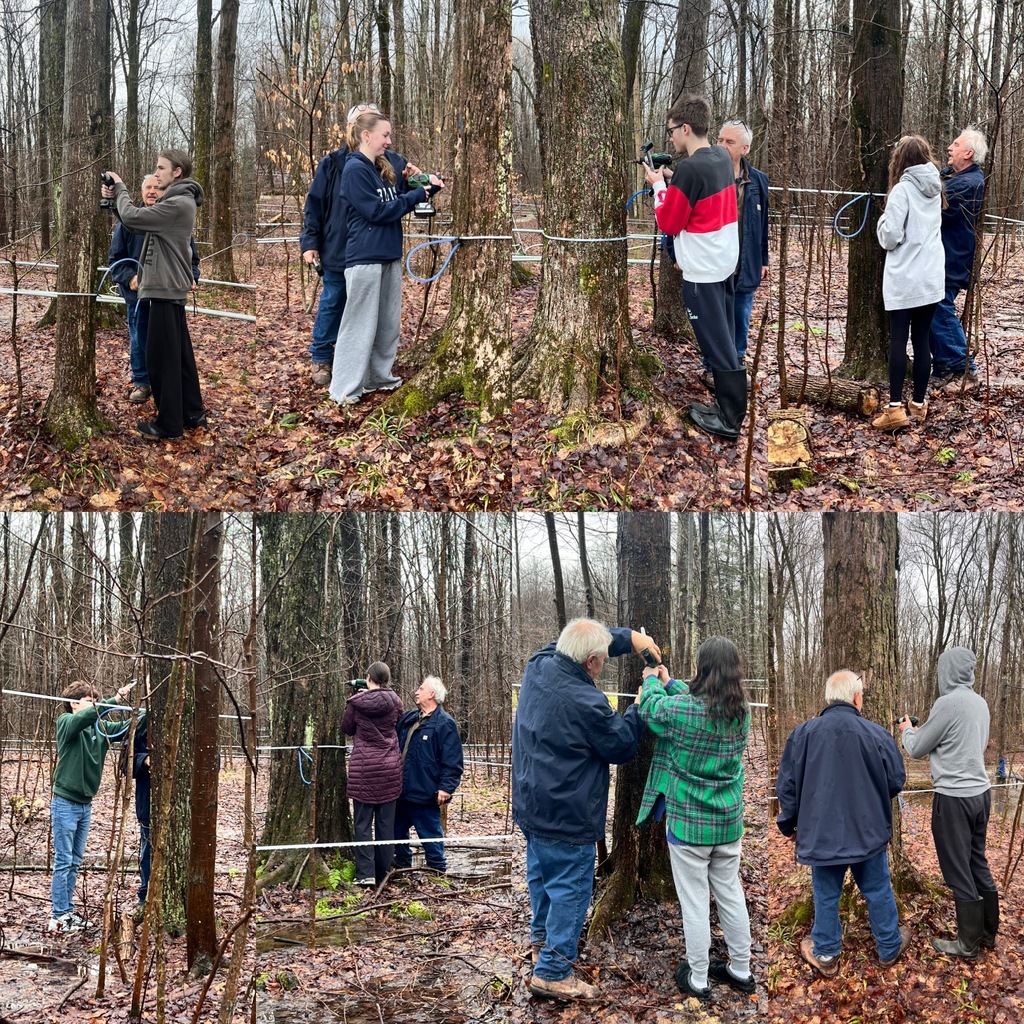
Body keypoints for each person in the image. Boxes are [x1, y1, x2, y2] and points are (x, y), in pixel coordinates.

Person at [512, 618, 660, 1001]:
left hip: (532, 805)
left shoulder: (540, 664)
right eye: (603, 658)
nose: (604, 662)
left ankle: (541, 942)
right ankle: (553, 972)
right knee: (570, 891)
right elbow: (622, 744)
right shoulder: (586, 701)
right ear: (591, 661)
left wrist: (631, 639)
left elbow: (567, 640)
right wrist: (641, 703)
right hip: (567, 815)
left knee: (542, 877)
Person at [636, 638, 755, 1002]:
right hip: (728, 822)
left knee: (695, 902)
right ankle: (741, 970)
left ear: (702, 667)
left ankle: (699, 977)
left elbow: (651, 709)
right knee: (730, 893)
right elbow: (694, 707)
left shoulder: (684, 711)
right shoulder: (742, 710)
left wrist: (651, 680)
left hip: (689, 824)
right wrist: (670, 681)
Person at [776, 670, 911, 976]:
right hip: (868, 831)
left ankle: (826, 953)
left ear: (830, 698)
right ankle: (888, 946)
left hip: (821, 834)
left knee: (826, 894)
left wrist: (790, 824)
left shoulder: (802, 735)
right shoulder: (877, 735)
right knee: (877, 889)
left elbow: (787, 788)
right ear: (856, 697)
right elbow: (895, 780)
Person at [300, 102, 420, 388]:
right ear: (355, 129)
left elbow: (397, 198)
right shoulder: (333, 162)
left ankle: (365, 366)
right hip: (337, 245)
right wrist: (309, 241)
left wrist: (415, 180)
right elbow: (315, 204)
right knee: (333, 301)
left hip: (374, 247)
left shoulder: (392, 160)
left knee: (370, 311)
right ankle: (321, 356)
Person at [326, 110, 443, 405]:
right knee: (358, 325)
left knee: (386, 324)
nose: (389, 141)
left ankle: (377, 377)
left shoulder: (380, 169)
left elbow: (394, 200)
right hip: (365, 258)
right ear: (367, 136)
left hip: (389, 255)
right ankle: (344, 389)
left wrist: (421, 186)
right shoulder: (355, 169)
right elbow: (376, 212)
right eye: (385, 135)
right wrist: (417, 196)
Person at [645, 93, 742, 439]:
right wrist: (674, 179)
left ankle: (730, 419)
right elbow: (699, 194)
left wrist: (659, 186)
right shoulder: (719, 157)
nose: (671, 138)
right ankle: (727, 407)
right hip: (723, 264)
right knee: (725, 338)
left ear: (685, 128)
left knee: (716, 344)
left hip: (703, 272)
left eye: (672, 131)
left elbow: (670, 222)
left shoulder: (690, 169)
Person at [899, 647, 996, 958]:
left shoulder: (948, 703)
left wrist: (907, 731)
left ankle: (967, 944)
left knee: (957, 869)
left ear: (947, 671)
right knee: (976, 861)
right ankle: (987, 933)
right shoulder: (980, 703)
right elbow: (964, 743)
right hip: (981, 794)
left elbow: (917, 748)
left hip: (955, 798)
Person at [102, 149, 206, 440]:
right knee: (180, 357)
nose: (156, 173)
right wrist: (114, 203)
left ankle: (169, 425)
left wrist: (120, 187)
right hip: (167, 288)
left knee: (162, 360)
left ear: (177, 172)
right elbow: (134, 223)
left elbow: (133, 216)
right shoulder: (178, 201)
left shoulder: (176, 203)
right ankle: (192, 414)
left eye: (161, 168)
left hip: (163, 289)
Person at [871, 136, 945, 431]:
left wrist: (880, 223)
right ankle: (918, 404)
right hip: (931, 276)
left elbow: (891, 237)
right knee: (922, 340)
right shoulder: (935, 188)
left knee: (899, 340)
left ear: (900, 160)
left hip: (905, 276)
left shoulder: (902, 190)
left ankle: (894, 409)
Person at [49, 679, 135, 933]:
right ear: (73, 704)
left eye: (96, 702)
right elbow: (85, 718)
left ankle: (67, 912)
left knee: (74, 861)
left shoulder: (99, 728)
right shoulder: (66, 722)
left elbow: (126, 727)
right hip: (65, 803)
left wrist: (145, 714)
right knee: (64, 860)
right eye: (89, 702)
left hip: (85, 805)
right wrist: (114, 700)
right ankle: (58, 916)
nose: (94, 706)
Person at [929, 127, 986, 383]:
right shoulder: (955, 178)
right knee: (932, 308)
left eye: (955, 144)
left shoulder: (968, 184)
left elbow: (938, 209)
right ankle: (944, 367)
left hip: (952, 257)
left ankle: (963, 367)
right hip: (944, 255)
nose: (949, 148)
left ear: (968, 153)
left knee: (939, 307)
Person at [393, 676, 463, 875]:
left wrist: (446, 787)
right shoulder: (409, 718)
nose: (416, 692)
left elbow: (453, 760)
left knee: (430, 835)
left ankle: (437, 871)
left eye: (421, 689)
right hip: (400, 790)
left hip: (425, 791)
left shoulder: (445, 723)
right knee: (396, 832)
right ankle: (401, 868)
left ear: (432, 694)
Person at [341, 661, 403, 886]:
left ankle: (365, 873)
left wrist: (357, 700)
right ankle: (383, 871)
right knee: (386, 825)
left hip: (364, 770)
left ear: (368, 678)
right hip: (390, 769)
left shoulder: (357, 703)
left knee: (363, 824)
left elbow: (347, 728)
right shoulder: (396, 701)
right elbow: (397, 723)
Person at [715, 119, 769, 374]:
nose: (722, 145)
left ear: (744, 148)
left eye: (729, 141)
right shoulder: (709, 175)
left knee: (741, 313)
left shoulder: (758, 181)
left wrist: (764, 259)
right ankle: (712, 366)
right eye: (719, 140)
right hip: (715, 261)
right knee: (716, 316)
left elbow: (763, 222)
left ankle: (737, 363)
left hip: (746, 261)